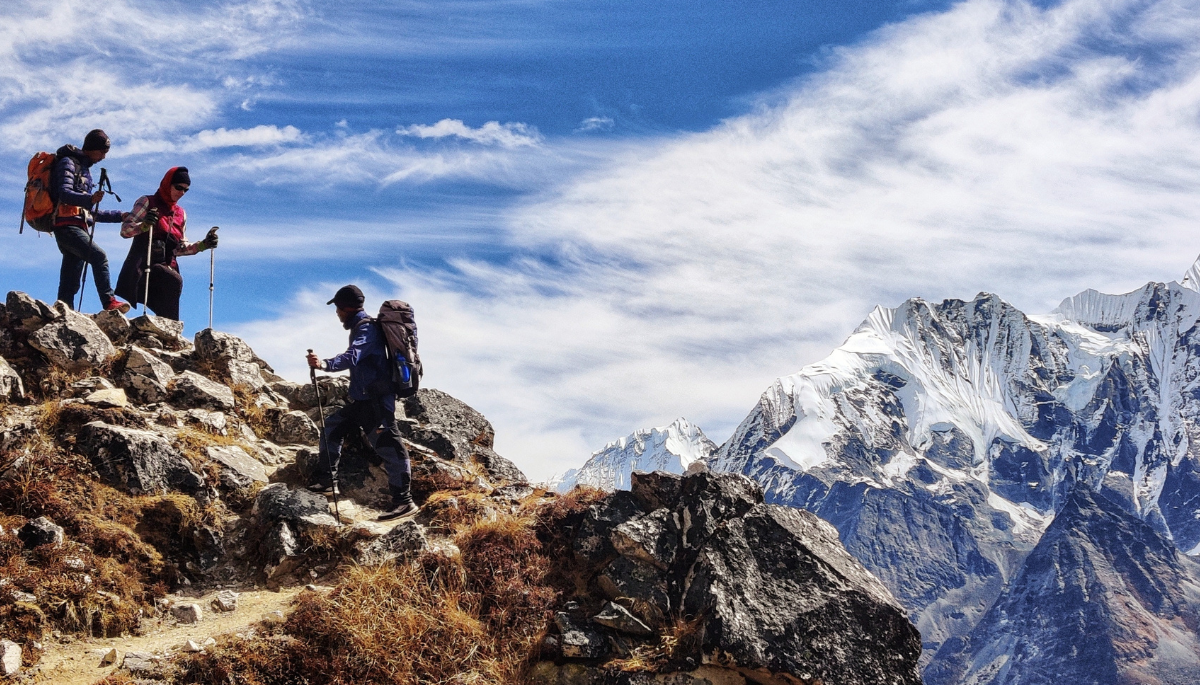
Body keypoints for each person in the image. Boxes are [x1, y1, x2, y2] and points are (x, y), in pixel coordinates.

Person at [307, 285, 418, 522]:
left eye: (337, 308)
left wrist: (324, 364)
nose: (337, 313)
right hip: (363, 400)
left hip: (376, 402)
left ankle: (404, 502)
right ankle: (327, 480)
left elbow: (352, 356)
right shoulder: (362, 326)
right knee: (332, 426)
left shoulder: (366, 329)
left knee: (390, 447)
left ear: (346, 308)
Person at [115, 167, 218, 320]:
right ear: (167, 183)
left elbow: (180, 248)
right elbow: (125, 230)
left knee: (172, 285)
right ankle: (172, 333)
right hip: (144, 265)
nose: (182, 193)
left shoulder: (180, 214)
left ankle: (165, 335)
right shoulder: (147, 202)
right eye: (179, 187)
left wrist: (204, 244)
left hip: (167, 266)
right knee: (173, 280)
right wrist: (144, 225)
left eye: (186, 190)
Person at [50, 129, 130, 312]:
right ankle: (109, 302)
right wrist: (89, 199)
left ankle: (63, 311)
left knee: (71, 277)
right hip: (66, 225)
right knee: (98, 256)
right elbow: (64, 193)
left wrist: (120, 216)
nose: (103, 157)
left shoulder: (83, 169)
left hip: (75, 225)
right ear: (92, 148)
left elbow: (90, 212)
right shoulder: (68, 162)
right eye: (102, 152)